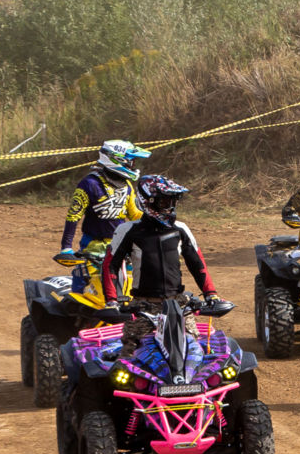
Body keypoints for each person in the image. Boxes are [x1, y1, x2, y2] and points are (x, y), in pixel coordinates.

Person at [102, 175, 221, 355]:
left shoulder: (180, 229)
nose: (169, 206)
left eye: (172, 201)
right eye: (164, 201)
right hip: (143, 306)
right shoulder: (129, 230)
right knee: (130, 354)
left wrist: (211, 294)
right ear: (147, 201)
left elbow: (198, 265)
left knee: (193, 351)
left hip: (178, 304)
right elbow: (110, 265)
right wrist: (112, 301)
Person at [58, 140, 151, 272]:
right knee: (87, 279)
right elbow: (74, 215)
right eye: (131, 162)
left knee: (132, 280)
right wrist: (66, 247)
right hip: (93, 246)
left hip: (120, 244)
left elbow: (134, 214)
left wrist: (155, 221)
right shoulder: (89, 184)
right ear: (117, 160)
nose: (133, 166)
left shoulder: (127, 185)